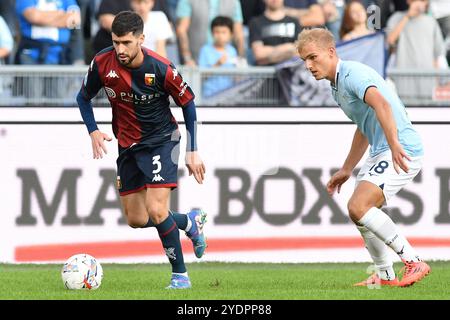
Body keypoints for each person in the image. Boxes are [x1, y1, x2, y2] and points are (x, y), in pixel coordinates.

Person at [76, 11, 207, 289]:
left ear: (141, 39)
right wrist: (93, 130)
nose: (120, 49)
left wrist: (192, 149)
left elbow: (188, 104)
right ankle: (189, 222)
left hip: (161, 140)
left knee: (157, 210)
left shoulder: (161, 67)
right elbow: (83, 97)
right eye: (116, 42)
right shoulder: (102, 62)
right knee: (137, 219)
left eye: (126, 42)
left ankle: (180, 276)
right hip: (127, 145)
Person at [297, 28, 431, 287]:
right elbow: (364, 125)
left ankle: (413, 261)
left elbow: (382, 105)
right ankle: (384, 275)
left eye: (313, 57)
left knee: (359, 206)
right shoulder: (337, 86)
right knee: (359, 212)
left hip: (402, 148)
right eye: (304, 61)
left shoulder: (352, 74)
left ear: (331, 51)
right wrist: (347, 168)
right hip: (382, 149)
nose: (309, 66)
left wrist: (394, 144)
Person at [176, 0, 245, 65]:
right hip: (195, 61)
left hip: (227, 60)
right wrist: (187, 58)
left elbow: (239, 33)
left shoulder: (233, 2)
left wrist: (241, 59)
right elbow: (181, 30)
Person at [15, 0, 81, 65]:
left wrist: (43, 19)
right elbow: (34, 17)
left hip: (60, 55)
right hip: (32, 55)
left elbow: (75, 21)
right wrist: (61, 15)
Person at [249, 0, 301, 66]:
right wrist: (288, 47)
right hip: (265, 74)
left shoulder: (294, 22)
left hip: (292, 73)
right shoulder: (255, 23)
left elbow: (300, 52)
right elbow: (259, 54)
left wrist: (269, 56)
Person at [199, 16, 238, 98]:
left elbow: (235, 75)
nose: (220, 35)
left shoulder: (232, 51)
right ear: (212, 33)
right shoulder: (205, 50)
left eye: (224, 32)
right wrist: (217, 64)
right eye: (217, 32)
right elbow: (201, 75)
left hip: (229, 95)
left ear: (231, 34)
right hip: (209, 95)